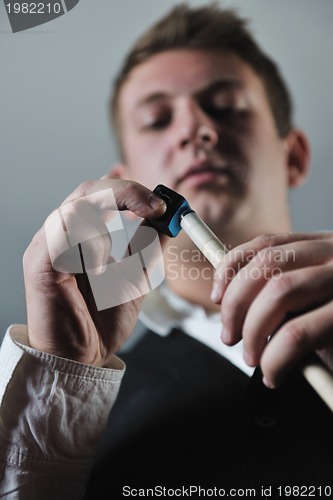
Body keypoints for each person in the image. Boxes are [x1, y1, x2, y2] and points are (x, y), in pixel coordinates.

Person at [1, 3, 333, 498]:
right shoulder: (83, 396)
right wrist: (61, 384)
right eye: (157, 120)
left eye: (225, 108)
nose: (193, 130)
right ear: (123, 178)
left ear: (295, 156)